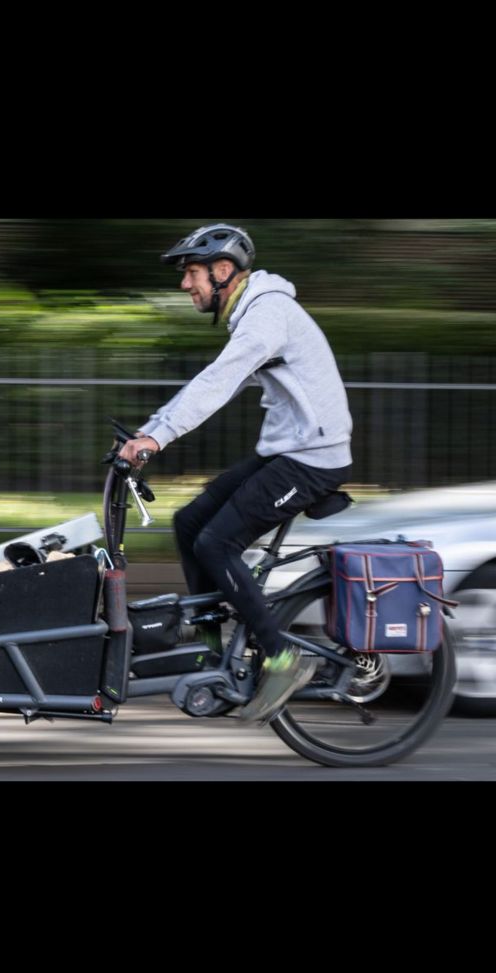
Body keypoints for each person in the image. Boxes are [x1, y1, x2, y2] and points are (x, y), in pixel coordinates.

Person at [118, 223, 353, 723]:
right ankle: (210, 649)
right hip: (289, 450)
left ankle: (284, 659)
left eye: (192, 273)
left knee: (216, 543)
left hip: (313, 458)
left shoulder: (266, 316)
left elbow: (218, 382)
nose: (186, 285)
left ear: (223, 271)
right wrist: (145, 433)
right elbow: (208, 386)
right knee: (188, 523)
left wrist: (157, 439)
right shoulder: (253, 312)